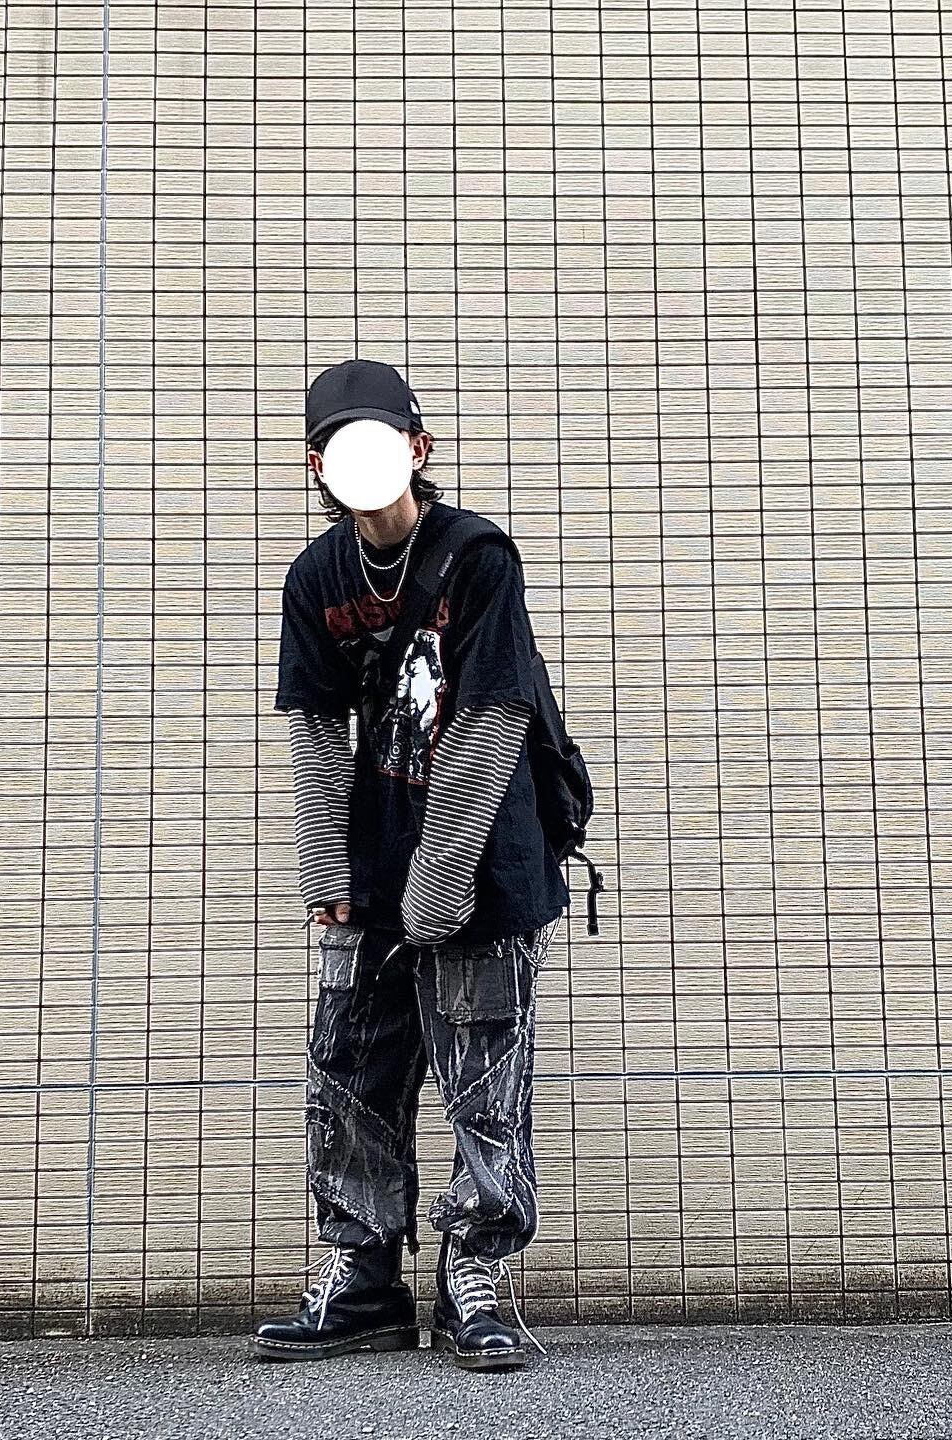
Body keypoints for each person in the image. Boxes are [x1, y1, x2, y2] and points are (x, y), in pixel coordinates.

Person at [253, 358, 570, 1372]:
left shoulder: (477, 557)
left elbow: (492, 719)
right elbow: (315, 731)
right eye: (336, 448)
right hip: (370, 873)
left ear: (418, 449)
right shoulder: (316, 578)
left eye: (380, 442)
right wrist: (328, 877)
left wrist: (439, 878)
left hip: (483, 868)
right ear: (316, 465)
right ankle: (362, 1281)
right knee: (349, 1073)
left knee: (484, 1080)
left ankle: (473, 1275)